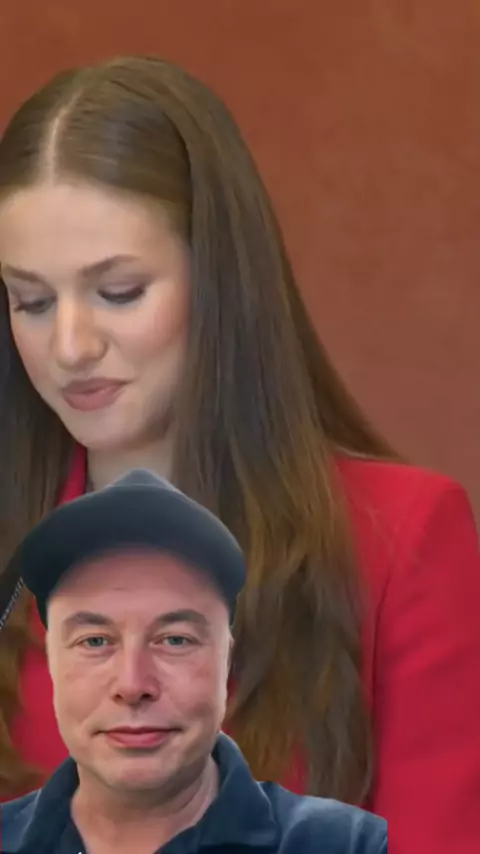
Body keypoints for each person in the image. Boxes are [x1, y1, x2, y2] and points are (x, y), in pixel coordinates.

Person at [0, 55, 478, 854]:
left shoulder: (402, 538)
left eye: (119, 291)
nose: (71, 346)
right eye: (32, 301)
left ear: (222, 282)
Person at [1, 468, 387, 854]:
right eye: (96, 641)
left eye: (175, 640)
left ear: (227, 659)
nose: (133, 685)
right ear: (51, 660)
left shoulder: (350, 845)